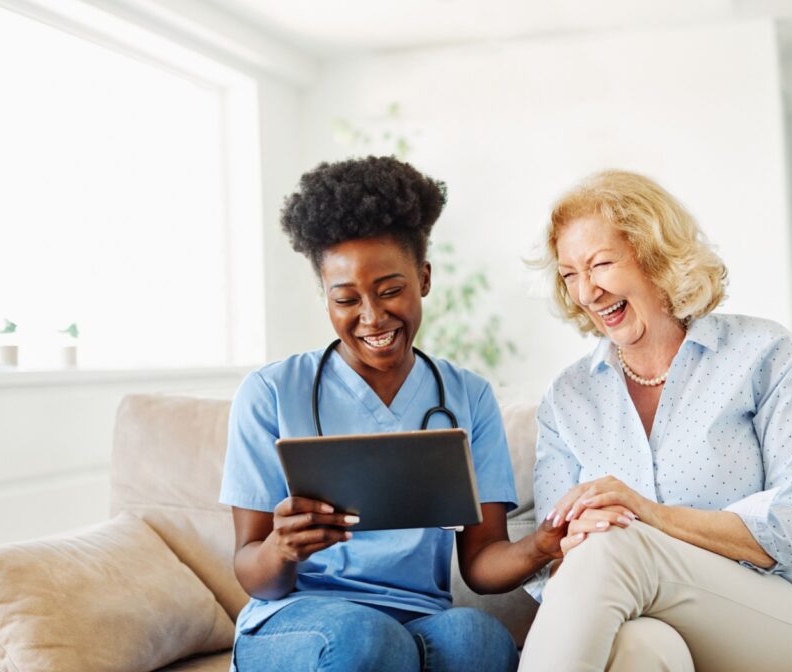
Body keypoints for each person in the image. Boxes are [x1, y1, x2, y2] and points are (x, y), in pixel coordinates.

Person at [219, 156, 564, 672]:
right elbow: (253, 573)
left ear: (423, 278)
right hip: (298, 618)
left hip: (417, 617)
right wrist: (281, 548)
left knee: (479, 639)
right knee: (368, 640)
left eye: (390, 290)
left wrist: (541, 544)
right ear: (326, 298)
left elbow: (481, 563)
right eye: (345, 299)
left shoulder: (466, 396)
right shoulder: (270, 392)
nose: (372, 317)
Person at [518, 170, 792, 672]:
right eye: (570, 275)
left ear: (654, 256)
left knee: (617, 545)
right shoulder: (567, 400)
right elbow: (557, 567)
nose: (587, 292)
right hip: (660, 629)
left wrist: (649, 518)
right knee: (639, 652)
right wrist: (568, 547)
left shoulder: (761, 352)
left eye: (601, 264)